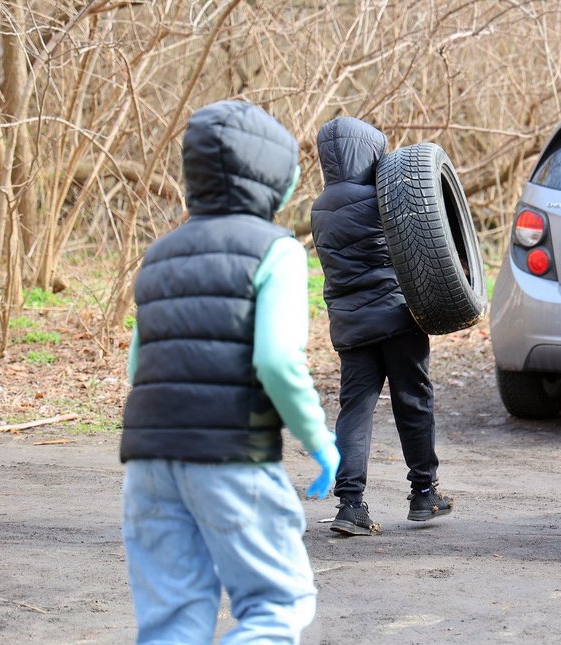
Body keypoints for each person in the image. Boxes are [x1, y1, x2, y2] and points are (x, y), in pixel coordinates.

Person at [120, 99, 339, 643]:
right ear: (273, 180)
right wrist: (319, 441)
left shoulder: (159, 255)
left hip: (148, 461)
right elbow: (277, 360)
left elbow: (138, 366)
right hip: (231, 456)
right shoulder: (277, 251)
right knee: (277, 606)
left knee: (172, 619)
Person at [310, 116, 453, 536]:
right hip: (396, 318)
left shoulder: (319, 208)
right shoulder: (385, 197)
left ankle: (350, 505)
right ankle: (424, 493)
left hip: (351, 326)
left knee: (355, 411)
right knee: (414, 402)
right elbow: (421, 247)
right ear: (368, 154)